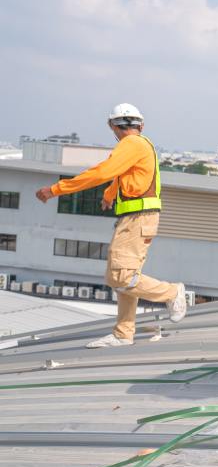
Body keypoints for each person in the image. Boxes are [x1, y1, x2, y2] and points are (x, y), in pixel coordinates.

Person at [36, 104, 188, 348]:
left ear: (113, 127)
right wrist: (109, 195)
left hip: (138, 218)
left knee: (121, 276)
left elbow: (102, 172)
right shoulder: (141, 144)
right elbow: (122, 175)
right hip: (139, 218)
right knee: (124, 276)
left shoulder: (129, 145)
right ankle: (123, 333)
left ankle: (171, 292)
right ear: (141, 125)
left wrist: (55, 189)